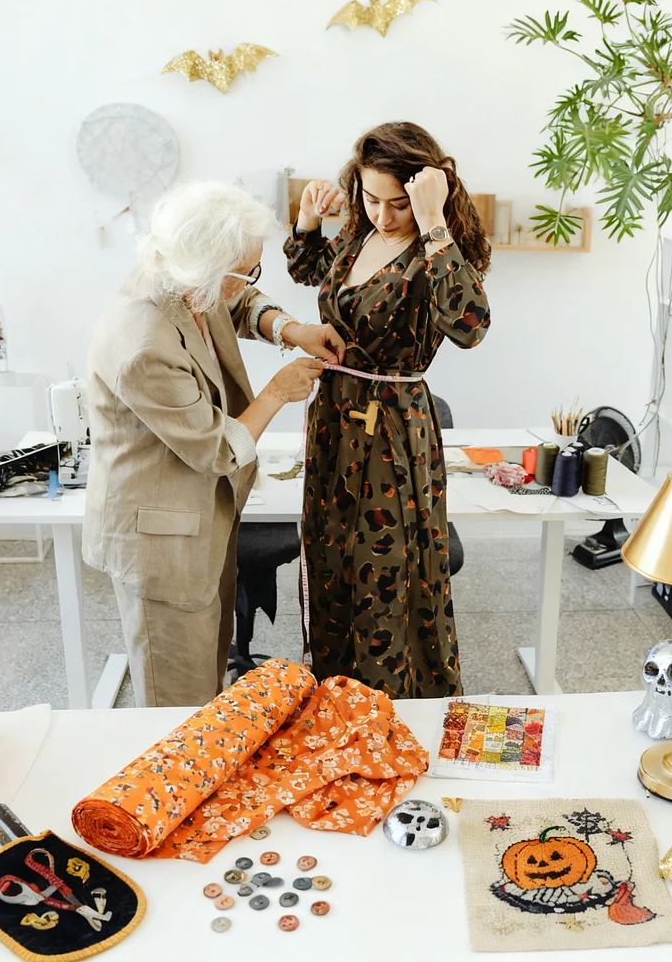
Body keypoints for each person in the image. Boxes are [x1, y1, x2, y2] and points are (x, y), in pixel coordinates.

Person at [85, 182, 345, 707]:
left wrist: (290, 329)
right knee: (177, 705)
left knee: (209, 676)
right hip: (161, 542)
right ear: (207, 271)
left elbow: (240, 300)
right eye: (247, 270)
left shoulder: (182, 279)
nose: (252, 280)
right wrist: (277, 392)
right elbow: (217, 449)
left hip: (202, 522)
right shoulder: (144, 346)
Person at [285, 121, 491, 699]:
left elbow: (471, 326)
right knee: (331, 555)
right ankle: (336, 696)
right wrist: (308, 221)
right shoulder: (358, 234)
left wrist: (433, 221)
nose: (383, 215)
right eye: (371, 199)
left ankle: (390, 703)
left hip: (392, 427)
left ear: (426, 193)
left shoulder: (434, 250)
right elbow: (311, 273)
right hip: (335, 417)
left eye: (398, 204)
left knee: (384, 566)